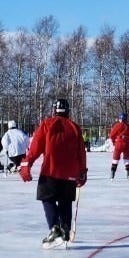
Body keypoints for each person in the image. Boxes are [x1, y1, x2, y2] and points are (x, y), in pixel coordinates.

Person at [20, 98, 87, 247]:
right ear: (68, 111)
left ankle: (55, 228)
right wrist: (82, 172)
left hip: (50, 170)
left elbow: (35, 148)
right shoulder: (75, 127)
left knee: (47, 197)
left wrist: (26, 165)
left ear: (54, 110)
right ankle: (65, 231)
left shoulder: (47, 125)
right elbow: (81, 152)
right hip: (70, 173)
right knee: (65, 202)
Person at [109, 112, 129, 179]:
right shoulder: (128, 127)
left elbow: (111, 135)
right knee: (127, 159)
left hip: (118, 143)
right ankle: (128, 174)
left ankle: (112, 173)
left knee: (115, 158)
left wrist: (114, 141)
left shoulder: (117, 125)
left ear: (120, 118)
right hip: (126, 144)